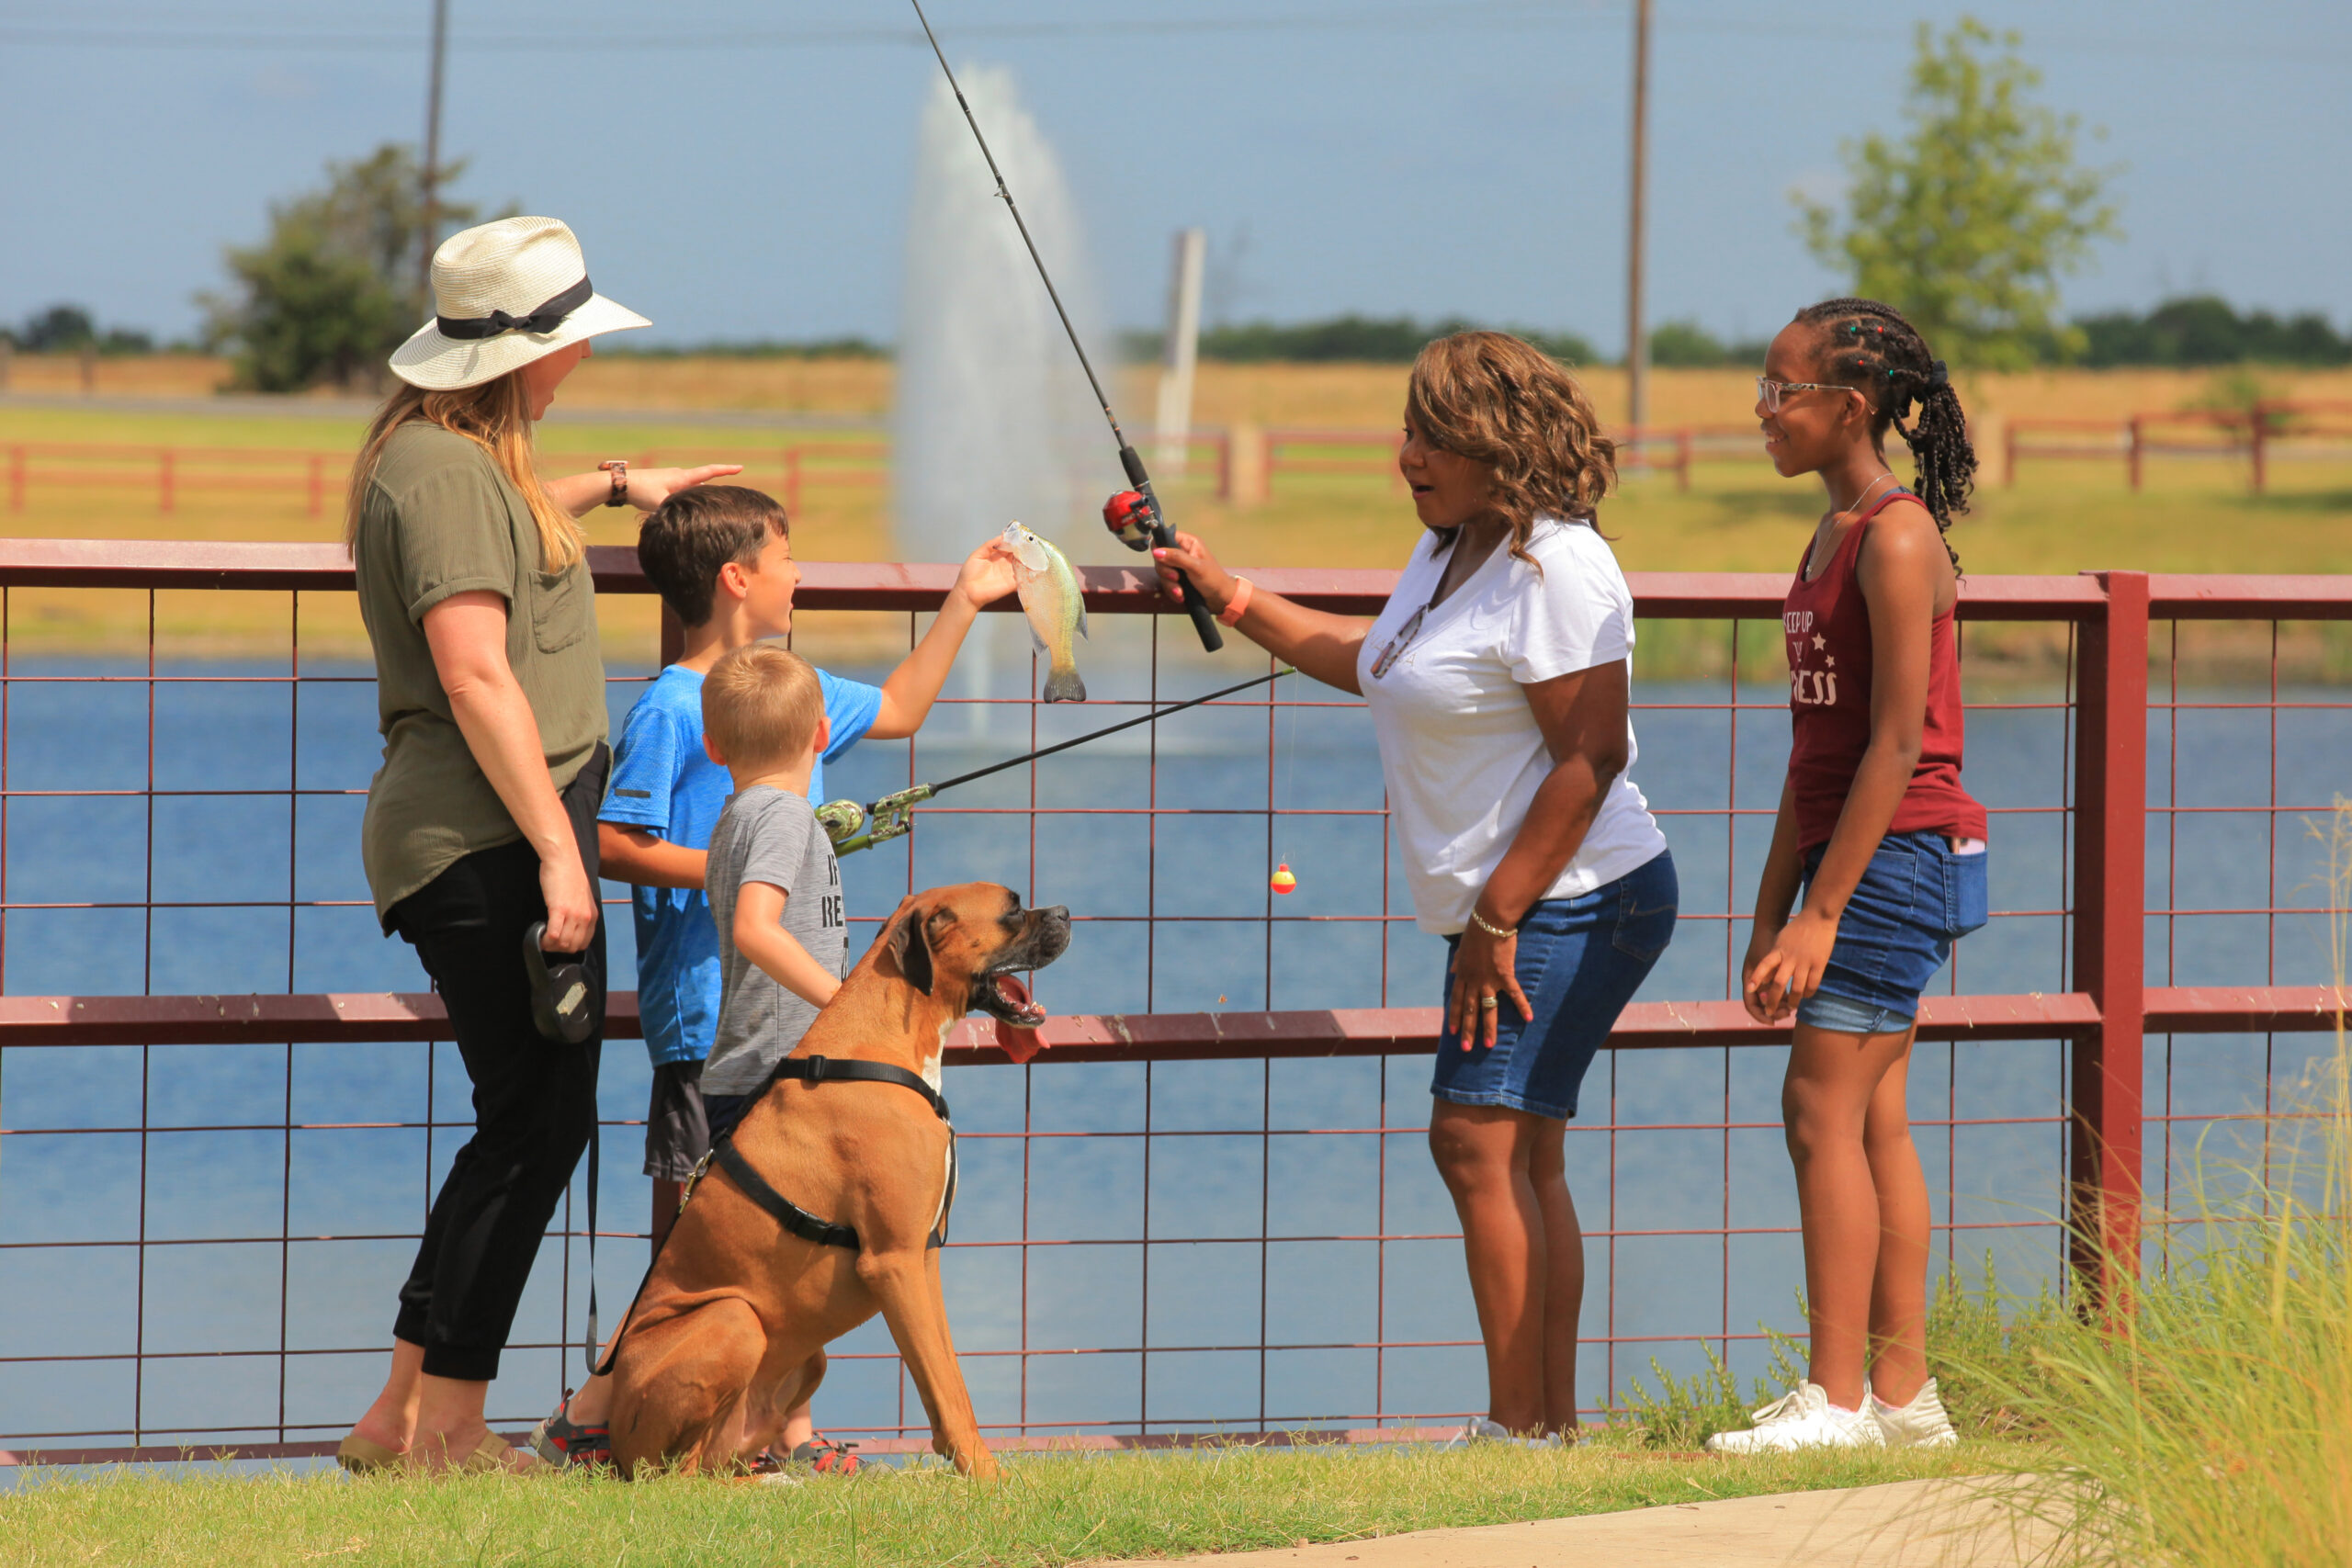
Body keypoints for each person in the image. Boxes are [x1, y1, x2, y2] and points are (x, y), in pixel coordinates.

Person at [1139, 331, 1677, 1442]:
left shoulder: (1556, 564)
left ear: (1499, 442)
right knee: (1520, 1149)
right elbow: (1375, 658)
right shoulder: (1450, 547)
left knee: (1472, 1140)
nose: (1408, 456)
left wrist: (1493, 918)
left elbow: (1593, 757)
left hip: (1574, 891)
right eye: (1407, 432)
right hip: (1522, 900)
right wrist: (1231, 596)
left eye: (1433, 436)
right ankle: (1545, 1429)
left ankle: (1518, 1429)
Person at [334, 216, 741, 1474]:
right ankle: (448, 1423)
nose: (577, 361)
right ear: (521, 358)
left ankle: (399, 1415)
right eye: (566, 340)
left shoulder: (440, 460)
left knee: (521, 1114)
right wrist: (564, 858)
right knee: (535, 1119)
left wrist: (617, 485)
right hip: (491, 829)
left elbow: (509, 525)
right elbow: (474, 672)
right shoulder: (452, 475)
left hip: (486, 824)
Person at [528, 485, 1015, 1470]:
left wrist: (964, 600)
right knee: (704, 1250)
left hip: (805, 1038)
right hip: (712, 1025)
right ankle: (599, 1416)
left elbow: (904, 707)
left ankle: (770, 1434)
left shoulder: (791, 687)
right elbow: (616, 842)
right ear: (737, 577)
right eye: (789, 558)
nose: (803, 575)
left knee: (798, 1235)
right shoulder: (675, 709)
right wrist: (740, 861)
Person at [1707, 299, 1987, 1454]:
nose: (1761, 410)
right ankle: (1906, 1402)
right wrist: (1773, 905)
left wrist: (1822, 912)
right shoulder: (1829, 534)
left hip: (1898, 853)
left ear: (1847, 408)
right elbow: (1812, 751)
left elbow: (1896, 745)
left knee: (1816, 1107)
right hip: (1847, 856)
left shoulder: (1897, 535)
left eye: (1781, 390)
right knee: (1874, 1121)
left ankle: (1832, 1405)